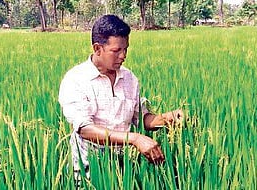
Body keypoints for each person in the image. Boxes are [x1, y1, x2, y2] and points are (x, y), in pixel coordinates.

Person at [58, 14, 183, 186]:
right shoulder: (76, 80)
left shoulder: (129, 78)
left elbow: (141, 118)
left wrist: (168, 118)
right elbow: (85, 129)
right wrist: (135, 139)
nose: (123, 56)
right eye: (116, 51)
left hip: (124, 168)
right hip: (91, 171)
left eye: (126, 49)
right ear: (97, 48)